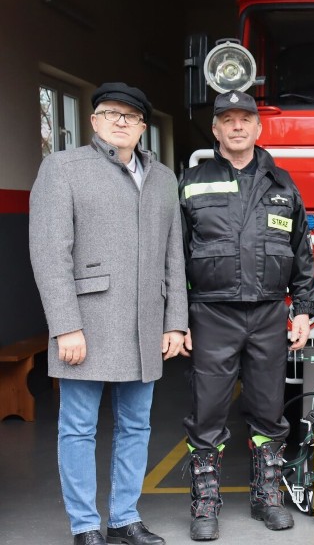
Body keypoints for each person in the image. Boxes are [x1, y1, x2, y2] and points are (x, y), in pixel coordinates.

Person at [30, 82, 188, 545]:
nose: (121, 121)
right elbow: (49, 254)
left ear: (143, 127)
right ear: (94, 121)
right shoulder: (62, 169)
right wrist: (65, 327)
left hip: (144, 324)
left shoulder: (162, 178)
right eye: (110, 113)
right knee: (78, 427)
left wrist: (175, 320)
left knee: (136, 424)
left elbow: (172, 256)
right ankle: (84, 526)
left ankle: (124, 519)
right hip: (88, 323)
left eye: (130, 116)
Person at [179, 91, 314, 541]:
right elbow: (173, 257)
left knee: (268, 409)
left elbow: (301, 254)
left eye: (245, 120)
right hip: (211, 312)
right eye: (227, 120)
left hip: (266, 313)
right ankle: (205, 504)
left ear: (259, 128)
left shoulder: (282, 182)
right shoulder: (193, 181)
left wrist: (301, 311)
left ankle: (267, 496)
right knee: (208, 410)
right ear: (216, 130)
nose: (237, 127)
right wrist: (176, 319)